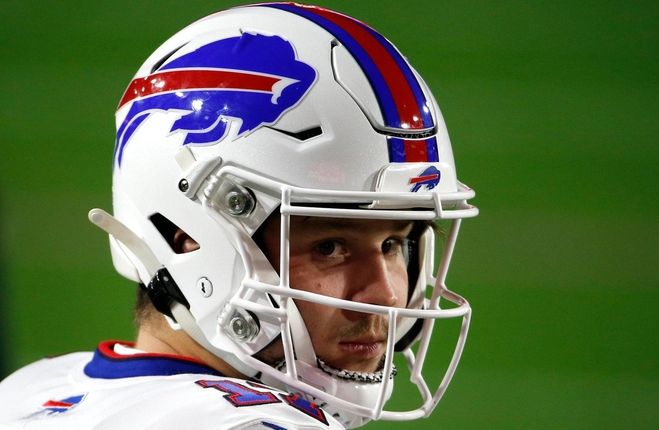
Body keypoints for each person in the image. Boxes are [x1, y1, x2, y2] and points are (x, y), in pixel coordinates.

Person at [0, 3, 477, 429]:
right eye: (330, 247)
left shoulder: (27, 392)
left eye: (393, 244)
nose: (388, 295)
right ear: (185, 235)